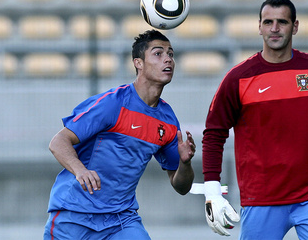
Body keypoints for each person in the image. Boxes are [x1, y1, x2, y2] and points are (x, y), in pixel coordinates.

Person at [199, 0, 308, 239]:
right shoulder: (238, 78)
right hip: (261, 199)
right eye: (268, 22)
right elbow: (214, 135)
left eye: (282, 22)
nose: (275, 29)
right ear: (259, 27)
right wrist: (212, 191)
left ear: (296, 26)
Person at [44, 29, 196, 240]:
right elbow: (58, 141)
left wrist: (185, 163)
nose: (168, 59)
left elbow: (181, 186)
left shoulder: (168, 121)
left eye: (171, 54)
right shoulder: (113, 103)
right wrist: (80, 171)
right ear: (138, 63)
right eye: (158, 53)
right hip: (74, 214)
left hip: (121, 220)